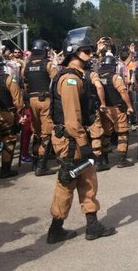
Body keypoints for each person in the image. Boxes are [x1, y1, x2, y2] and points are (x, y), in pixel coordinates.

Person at [47, 30, 116, 244]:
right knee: (67, 181)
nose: (90, 54)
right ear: (73, 53)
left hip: (75, 137)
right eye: (86, 51)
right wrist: (84, 145)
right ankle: (56, 228)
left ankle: (92, 225)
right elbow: (72, 119)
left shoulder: (77, 76)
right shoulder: (70, 80)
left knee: (87, 180)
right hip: (71, 139)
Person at [23, 39, 57, 176]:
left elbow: (24, 85)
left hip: (31, 100)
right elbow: (55, 82)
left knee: (36, 131)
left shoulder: (27, 66)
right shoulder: (48, 64)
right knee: (46, 132)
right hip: (45, 100)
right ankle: (41, 166)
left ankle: (35, 161)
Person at [97, 55, 135, 167]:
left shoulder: (98, 77)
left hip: (104, 109)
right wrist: (129, 106)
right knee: (122, 132)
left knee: (106, 133)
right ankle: (122, 159)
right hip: (117, 108)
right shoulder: (115, 77)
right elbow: (123, 92)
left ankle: (104, 159)